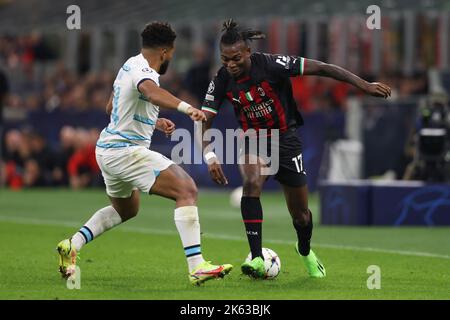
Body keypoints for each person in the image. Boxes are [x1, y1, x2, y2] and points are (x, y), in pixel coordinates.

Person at [201, 19, 391, 279]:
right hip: (253, 139)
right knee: (251, 182)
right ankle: (256, 258)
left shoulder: (271, 64)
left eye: (236, 58)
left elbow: (323, 68)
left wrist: (364, 85)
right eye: (225, 59)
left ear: (248, 52)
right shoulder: (222, 79)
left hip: (286, 140)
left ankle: (305, 250)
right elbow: (205, 118)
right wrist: (209, 154)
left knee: (301, 215)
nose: (231, 64)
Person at [56, 22, 232, 286]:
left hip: (107, 150)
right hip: (125, 151)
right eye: (171, 53)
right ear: (164, 51)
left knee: (126, 209)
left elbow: (111, 107)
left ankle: (73, 244)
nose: (171, 58)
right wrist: (186, 108)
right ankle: (197, 266)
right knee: (186, 189)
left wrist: (154, 120)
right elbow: (150, 91)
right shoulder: (144, 72)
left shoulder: (128, 65)